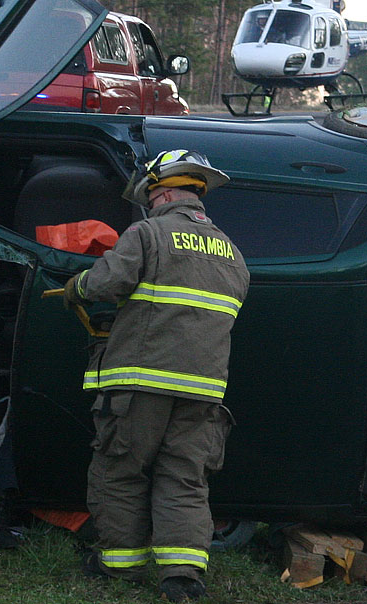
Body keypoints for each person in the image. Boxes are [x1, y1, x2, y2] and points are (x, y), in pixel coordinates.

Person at [63, 150, 250, 602]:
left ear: (162, 193)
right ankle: (181, 577)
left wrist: (77, 286)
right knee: (184, 477)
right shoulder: (231, 251)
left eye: (150, 198)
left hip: (141, 382)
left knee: (120, 470)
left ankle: (120, 564)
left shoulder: (148, 233)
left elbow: (106, 283)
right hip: (203, 390)